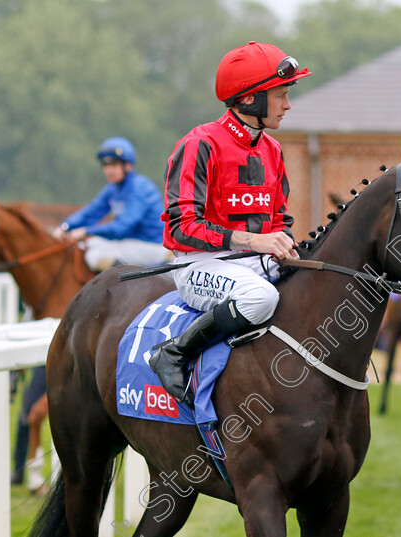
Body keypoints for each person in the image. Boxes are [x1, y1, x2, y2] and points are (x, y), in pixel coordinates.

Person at [149, 41, 310, 406]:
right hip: (199, 265)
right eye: (281, 95)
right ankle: (174, 352)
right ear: (251, 99)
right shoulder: (200, 144)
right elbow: (180, 228)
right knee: (262, 297)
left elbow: (280, 219)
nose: (287, 105)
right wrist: (256, 242)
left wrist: (286, 242)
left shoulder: (272, 149)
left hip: (255, 262)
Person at [53, 137, 168, 271]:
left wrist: (86, 231)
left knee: (94, 255)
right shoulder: (113, 188)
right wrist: (65, 226)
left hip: (153, 246)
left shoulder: (140, 187)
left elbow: (122, 227)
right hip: (130, 242)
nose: (108, 171)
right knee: (88, 245)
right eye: (105, 166)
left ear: (128, 166)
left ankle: (127, 289)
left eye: (113, 165)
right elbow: (92, 211)